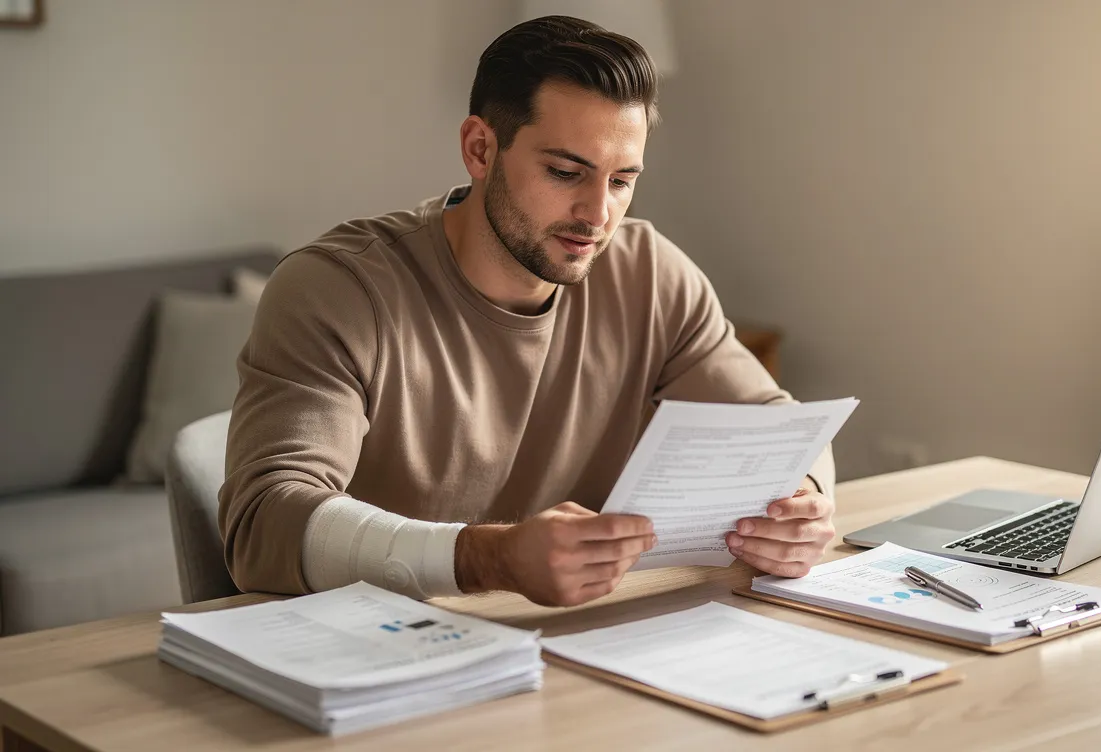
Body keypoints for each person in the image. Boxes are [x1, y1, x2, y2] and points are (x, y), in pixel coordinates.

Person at [218, 15, 836, 607]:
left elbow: (780, 429)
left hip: (570, 650)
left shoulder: (651, 273)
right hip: (369, 658)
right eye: (567, 172)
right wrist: (493, 559)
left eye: (621, 181)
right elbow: (264, 522)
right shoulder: (337, 290)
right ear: (481, 148)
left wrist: (802, 504)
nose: (599, 216)